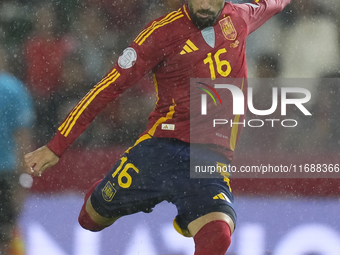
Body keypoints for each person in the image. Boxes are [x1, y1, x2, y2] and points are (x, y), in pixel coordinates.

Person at [24, 0, 291, 254]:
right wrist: (55, 147)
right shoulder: (160, 34)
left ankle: (189, 209)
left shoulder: (240, 17)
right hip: (158, 151)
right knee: (91, 219)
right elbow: (106, 89)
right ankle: (116, 190)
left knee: (218, 236)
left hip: (208, 158)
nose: (205, 6)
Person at [0, 46, 34, 255]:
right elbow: (22, 138)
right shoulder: (14, 90)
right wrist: (25, 177)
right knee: (5, 231)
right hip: (6, 172)